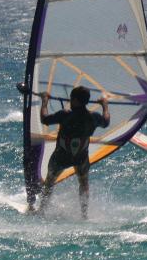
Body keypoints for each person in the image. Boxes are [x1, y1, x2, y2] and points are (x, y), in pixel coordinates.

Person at [35, 86, 110, 217]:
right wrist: (104, 105)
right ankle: (84, 215)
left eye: (71, 98)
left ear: (75, 100)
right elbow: (106, 122)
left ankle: (41, 211)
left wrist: (45, 100)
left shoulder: (65, 114)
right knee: (83, 183)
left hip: (61, 157)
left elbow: (44, 119)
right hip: (80, 157)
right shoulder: (94, 117)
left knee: (49, 182)